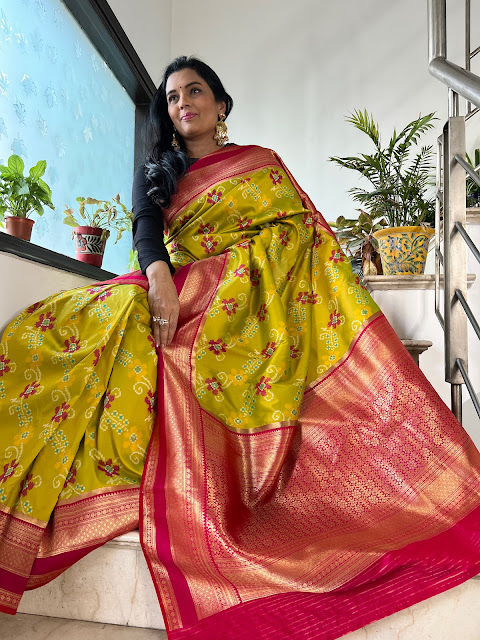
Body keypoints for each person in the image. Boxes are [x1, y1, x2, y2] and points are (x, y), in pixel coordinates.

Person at [1, 55, 480, 640]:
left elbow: (302, 232)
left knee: (189, 359)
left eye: (194, 92)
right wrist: (157, 280)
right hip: (169, 283)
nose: (184, 105)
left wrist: (241, 275)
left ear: (221, 103)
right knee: (49, 329)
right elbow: (146, 231)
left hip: (246, 301)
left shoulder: (261, 167)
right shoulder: (158, 170)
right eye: (173, 99)